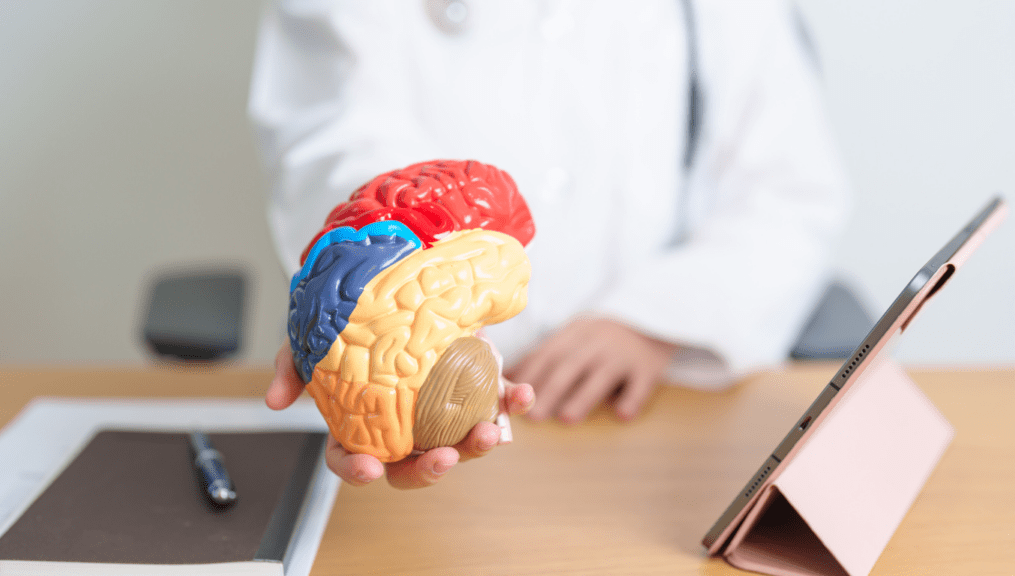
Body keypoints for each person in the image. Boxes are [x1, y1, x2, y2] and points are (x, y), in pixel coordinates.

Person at [250, 0, 850, 488]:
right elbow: (334, 135)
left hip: (645, 414)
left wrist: (655, 317)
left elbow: (789, 194)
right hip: (423, 425)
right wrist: (372, 288)